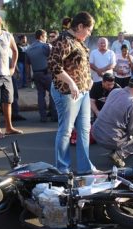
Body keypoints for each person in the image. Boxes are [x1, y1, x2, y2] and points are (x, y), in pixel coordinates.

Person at [48, 12, 100, 175]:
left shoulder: (78, 41)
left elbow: (82, 65)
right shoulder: (63, 40)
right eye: (89, 30)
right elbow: (54, 66)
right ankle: (62, 169)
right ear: (79, 27)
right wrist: (71, 83)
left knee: (85, 129)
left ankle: (85, 168)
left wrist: (89, 80)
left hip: (83, 91)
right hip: (67, 93)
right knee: (66, 130)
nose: (89, 33)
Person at [92, 73, 133, 168]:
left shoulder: (115, 91)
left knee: (120, 128)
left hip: (95, 132)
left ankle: (116, 148)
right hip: (109, 139)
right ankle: (119, 154)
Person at [27, 29, 57, 122]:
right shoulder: (46, 46)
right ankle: (54, 116)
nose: (47, 38)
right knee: (53, 94)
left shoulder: (29, 48)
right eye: (45, 36)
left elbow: (27, 65)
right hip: (47, 73)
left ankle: (43, 117)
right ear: (41, 36)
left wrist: (29, 77)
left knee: (40, 94)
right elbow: (53, 58)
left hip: (36, 74)